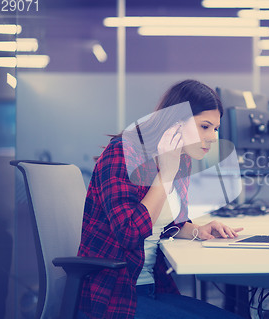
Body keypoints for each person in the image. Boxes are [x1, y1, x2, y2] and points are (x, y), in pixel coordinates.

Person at [77, 79, 244, 319]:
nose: (213, 137)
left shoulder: (180, 159)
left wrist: (198, 230)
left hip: (150, 288)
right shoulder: (123, 153)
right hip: (115, 296)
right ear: (176, 123)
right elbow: (130, 233)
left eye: (216, 129)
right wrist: (165, 174)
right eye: (204, 126)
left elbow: (165, 223)